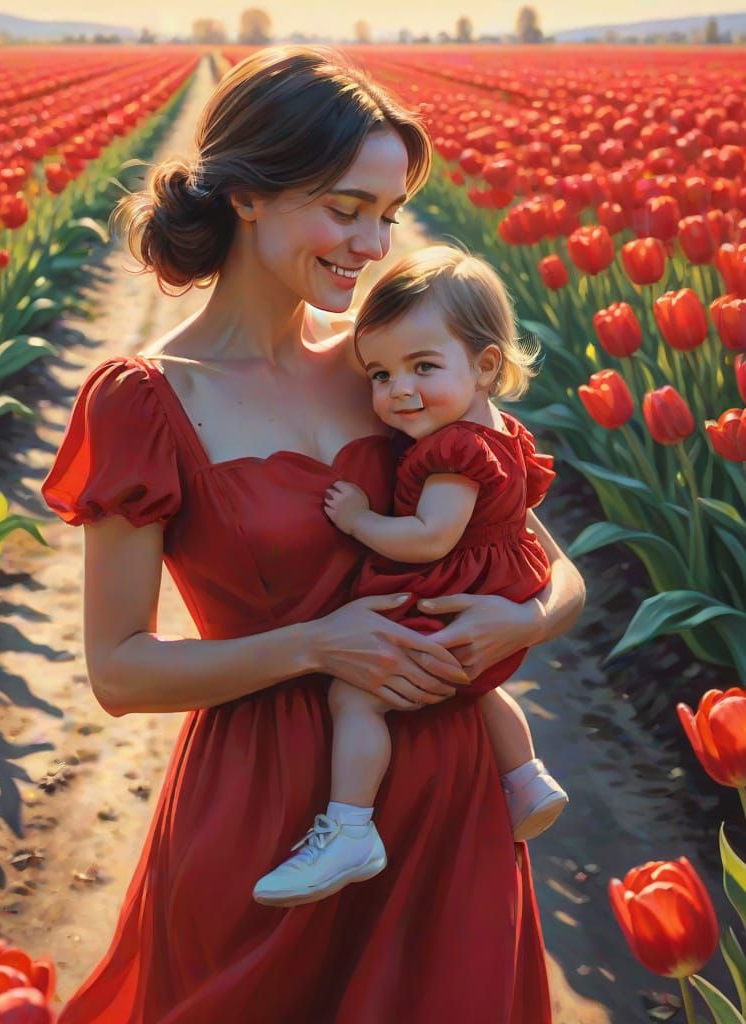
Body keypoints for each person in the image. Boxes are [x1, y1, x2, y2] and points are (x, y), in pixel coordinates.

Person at [40, 44, 585, 1024]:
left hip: (449, 799)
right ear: (247, 195)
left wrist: (523, 625)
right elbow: (118, 671)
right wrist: (315, 643)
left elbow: (551, 561)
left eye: (383, 214)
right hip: (269, 807)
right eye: (346, 208)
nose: (374, 244)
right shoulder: (147, 403)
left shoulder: (392, 372)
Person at [252, 245, 569, 909]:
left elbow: (430, 538)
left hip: (452, 589)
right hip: (499, 588)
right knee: (474, 687)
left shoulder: (453, 452)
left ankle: (349, 826)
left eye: (423, 367)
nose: (399, 390)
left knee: (356, 696)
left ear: (485, 365)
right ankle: (526, 778)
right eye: (379, 373)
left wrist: (363, 521)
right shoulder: (500, 430)